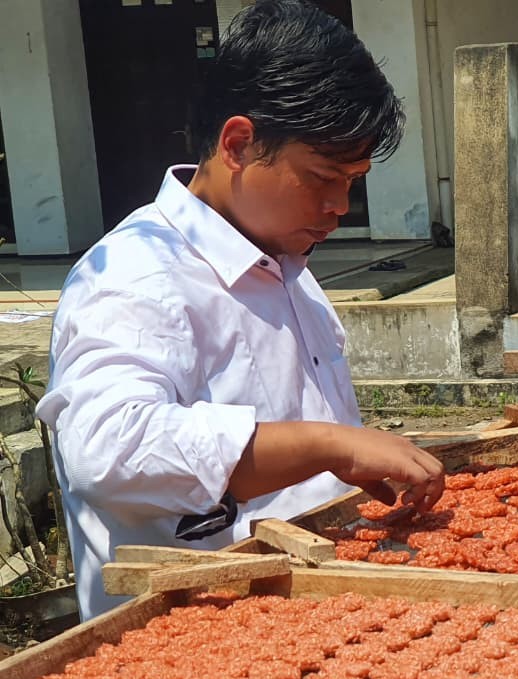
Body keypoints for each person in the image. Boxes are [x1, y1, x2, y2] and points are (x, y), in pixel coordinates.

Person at [36, 0, 444, 620]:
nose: (340, 205)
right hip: (200, 660)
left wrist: (343, 460)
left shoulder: (287, 266)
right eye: (322, 177)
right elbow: (107, 450)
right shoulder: (134, 275)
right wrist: (329, 445)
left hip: (326, 624)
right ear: (239, 144)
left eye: (353, 181)